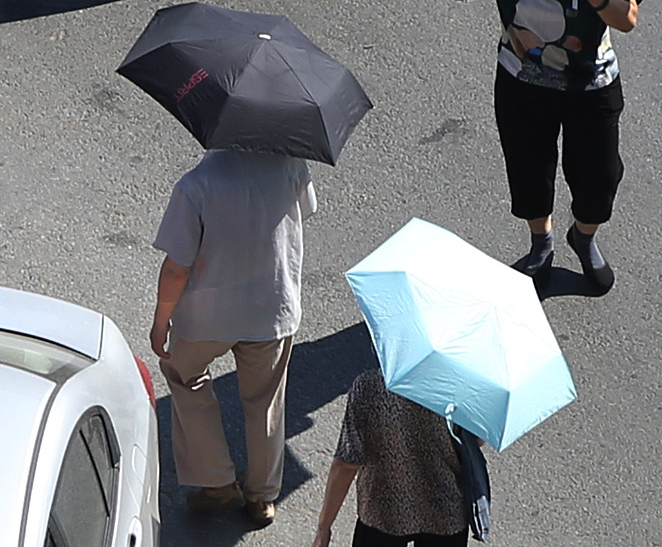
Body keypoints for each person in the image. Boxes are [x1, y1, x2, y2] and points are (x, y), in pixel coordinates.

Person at [448, 0, 640, 293]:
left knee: (601, 175)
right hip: (521, 80)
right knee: (529, 169)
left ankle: (583, 237)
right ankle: (541, 241)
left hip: (592, 85)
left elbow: (627, 19)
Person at [150, 148, 317, 527]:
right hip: (272, 307)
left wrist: (161, 321)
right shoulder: (291, 163)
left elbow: (177, 268)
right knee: (265, 401)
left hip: (206, 316)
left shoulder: (196, 186)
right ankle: (262, 497)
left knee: (184, 376)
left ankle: (217, 482)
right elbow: (305, 209)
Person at [311, 368, 471, 547]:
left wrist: (324, 527)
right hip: (446, 510)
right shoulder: (460, 388)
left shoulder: (370, 385)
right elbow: (476, 442)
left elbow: (346, 464)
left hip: (381, 511)